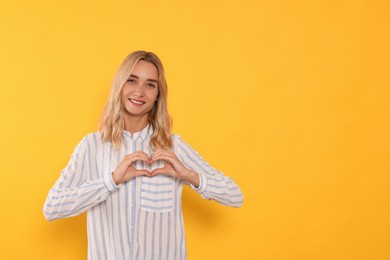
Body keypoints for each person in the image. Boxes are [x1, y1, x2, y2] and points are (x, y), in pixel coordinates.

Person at [43, 50, 243, 260]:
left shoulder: (173, 148)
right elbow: (52, 207)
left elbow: (235, 196)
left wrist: (188, 175)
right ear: (119, 86)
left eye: (150, 85)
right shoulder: (91, 147)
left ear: (158, 95)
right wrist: (111, 181)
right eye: (132, 80)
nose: (139, 92)